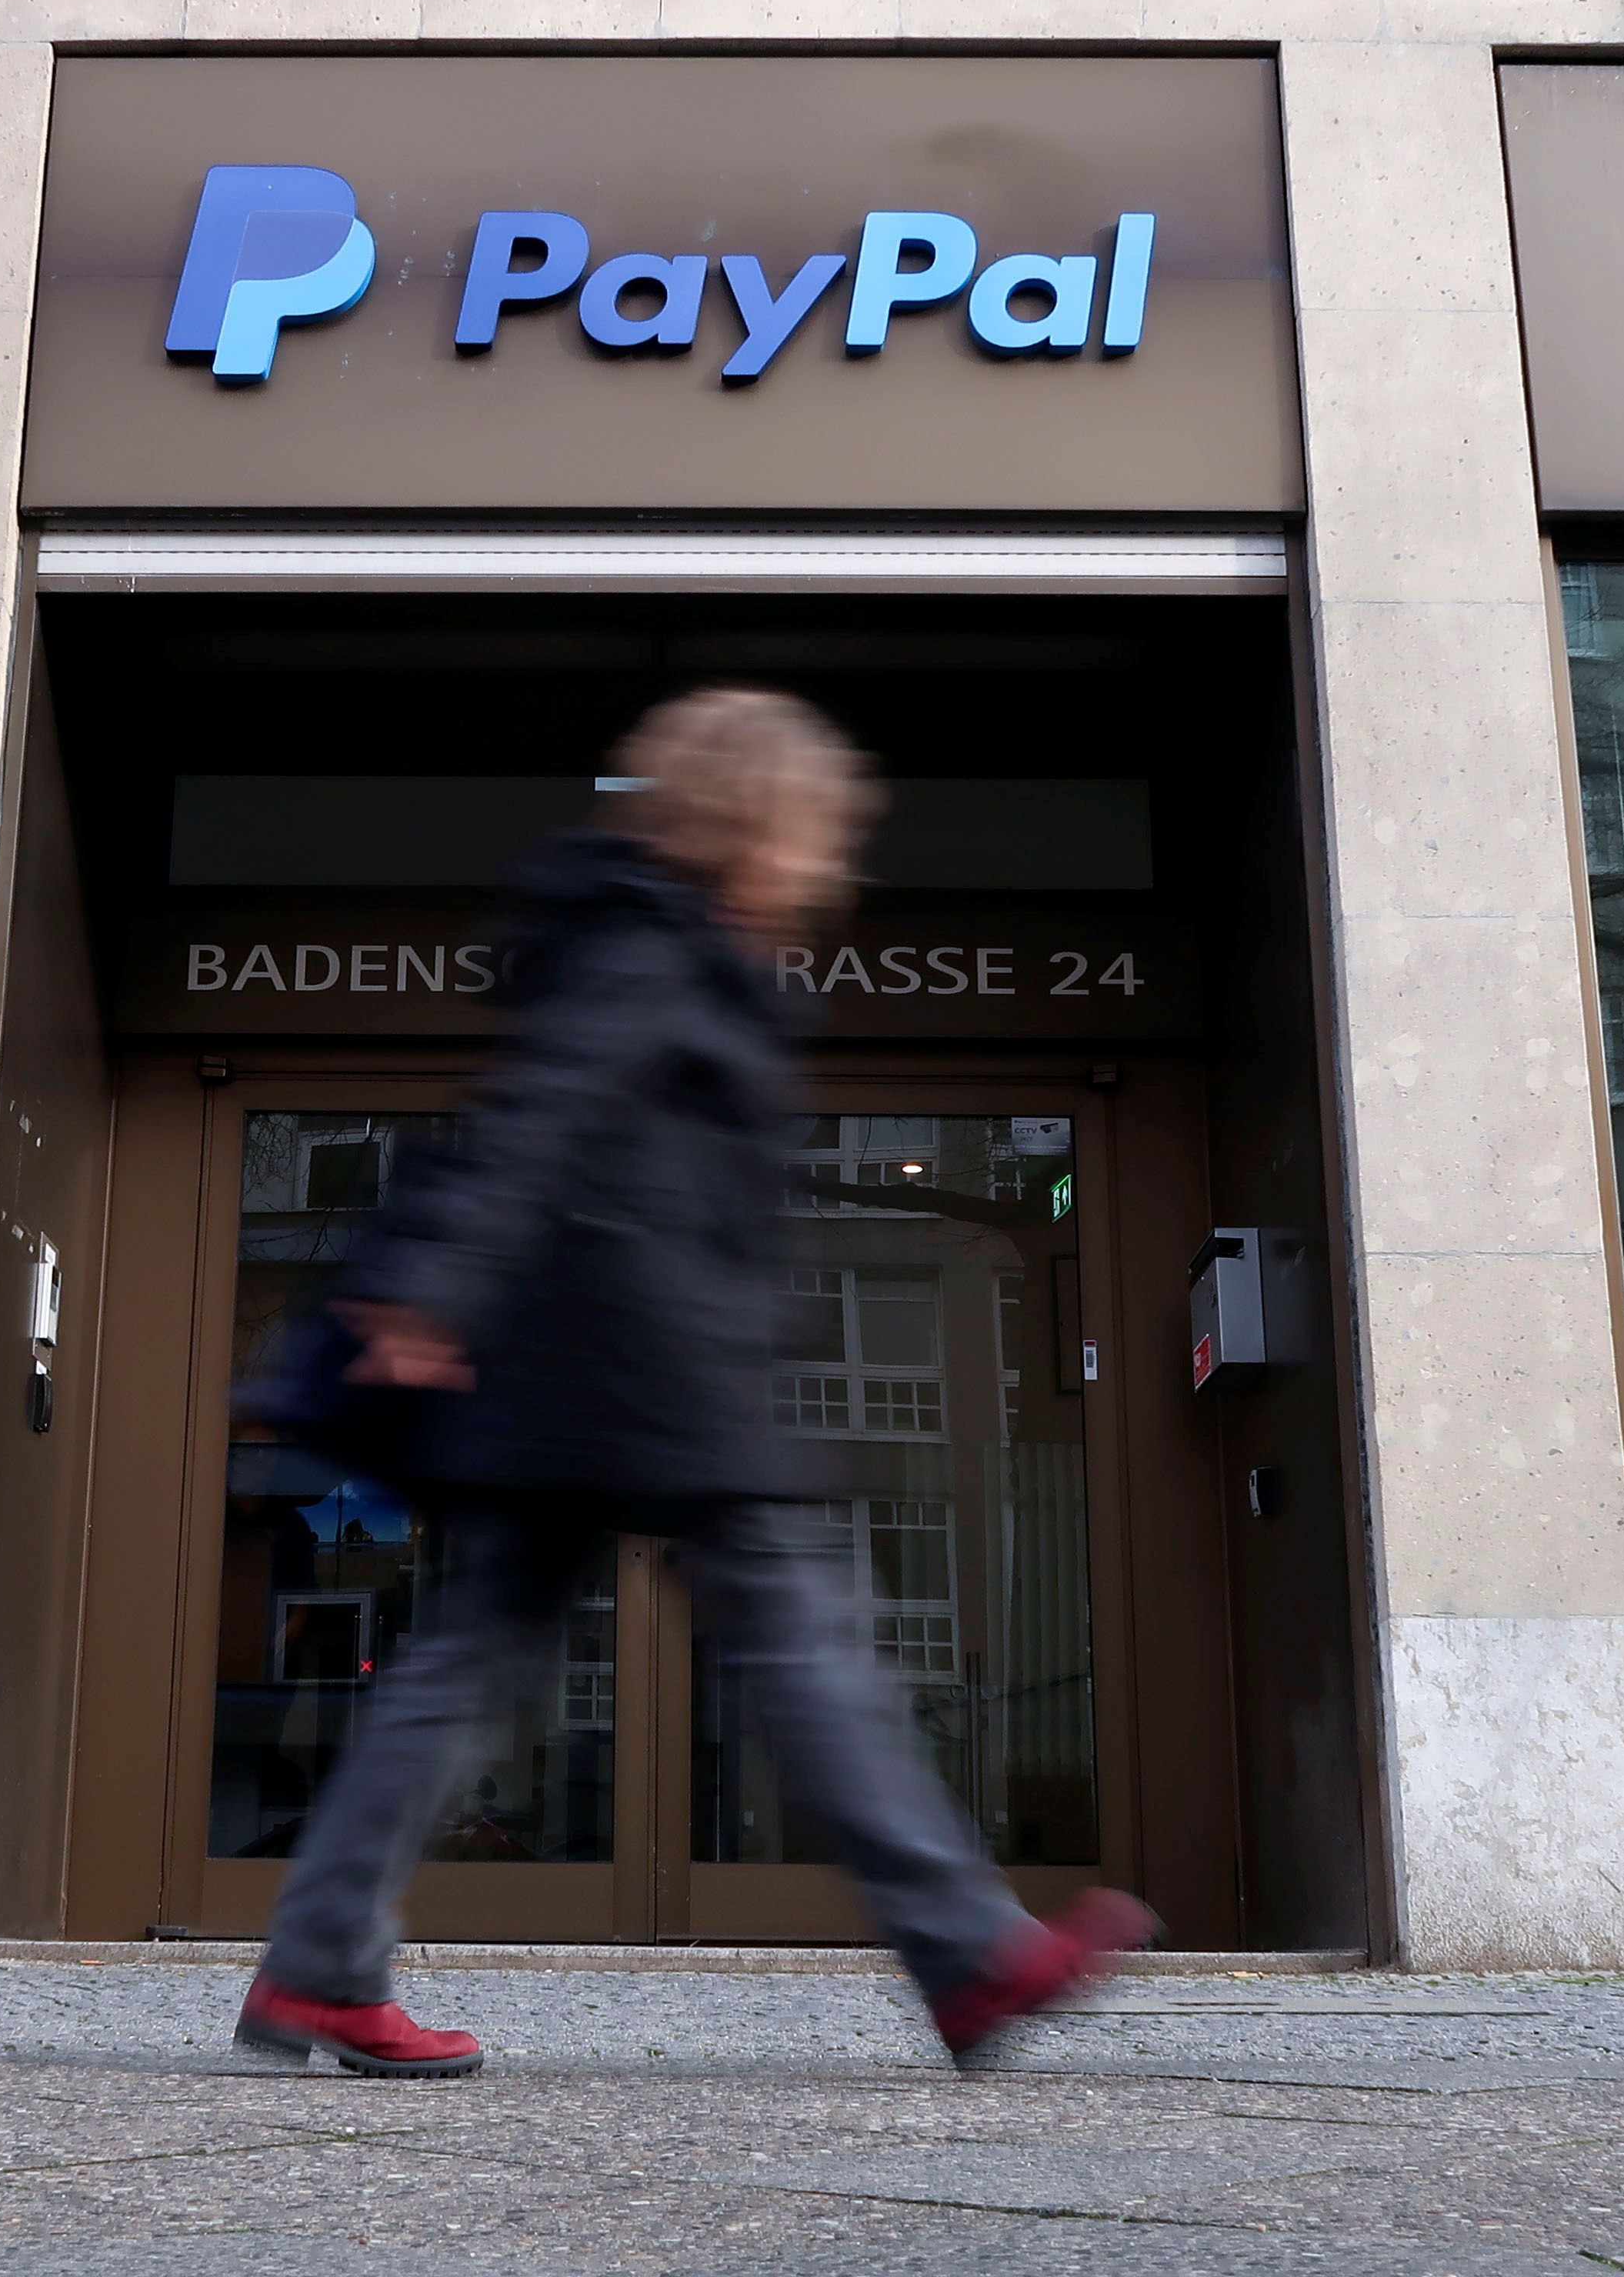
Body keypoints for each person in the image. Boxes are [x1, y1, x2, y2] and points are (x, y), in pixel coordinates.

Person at [234, 685, 1154, 2080]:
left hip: (596, 1370)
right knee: (801, 1642)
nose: (834, 865)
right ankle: (969, 1953)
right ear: (763, 821)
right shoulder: (647, 947)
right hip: (639, 1368)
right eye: (822, 832)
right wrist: (434, 1289)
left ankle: (319, 1971)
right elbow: (542, 1114)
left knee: (472, 1663)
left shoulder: (656, 939)